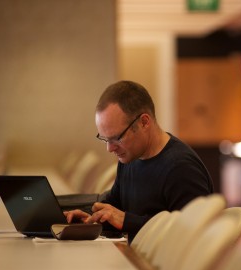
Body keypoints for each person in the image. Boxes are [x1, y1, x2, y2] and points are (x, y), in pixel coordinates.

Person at [65, 80, 214, 241]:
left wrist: (127, 221)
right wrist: (87, 217)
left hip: (161, 266)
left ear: (144, 122)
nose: (110, 148)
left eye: (117, 138)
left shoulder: (181, 168)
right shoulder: (131, 158)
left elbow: (194, 234)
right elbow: (114, 206)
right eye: (105, 139)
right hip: (137, 259)